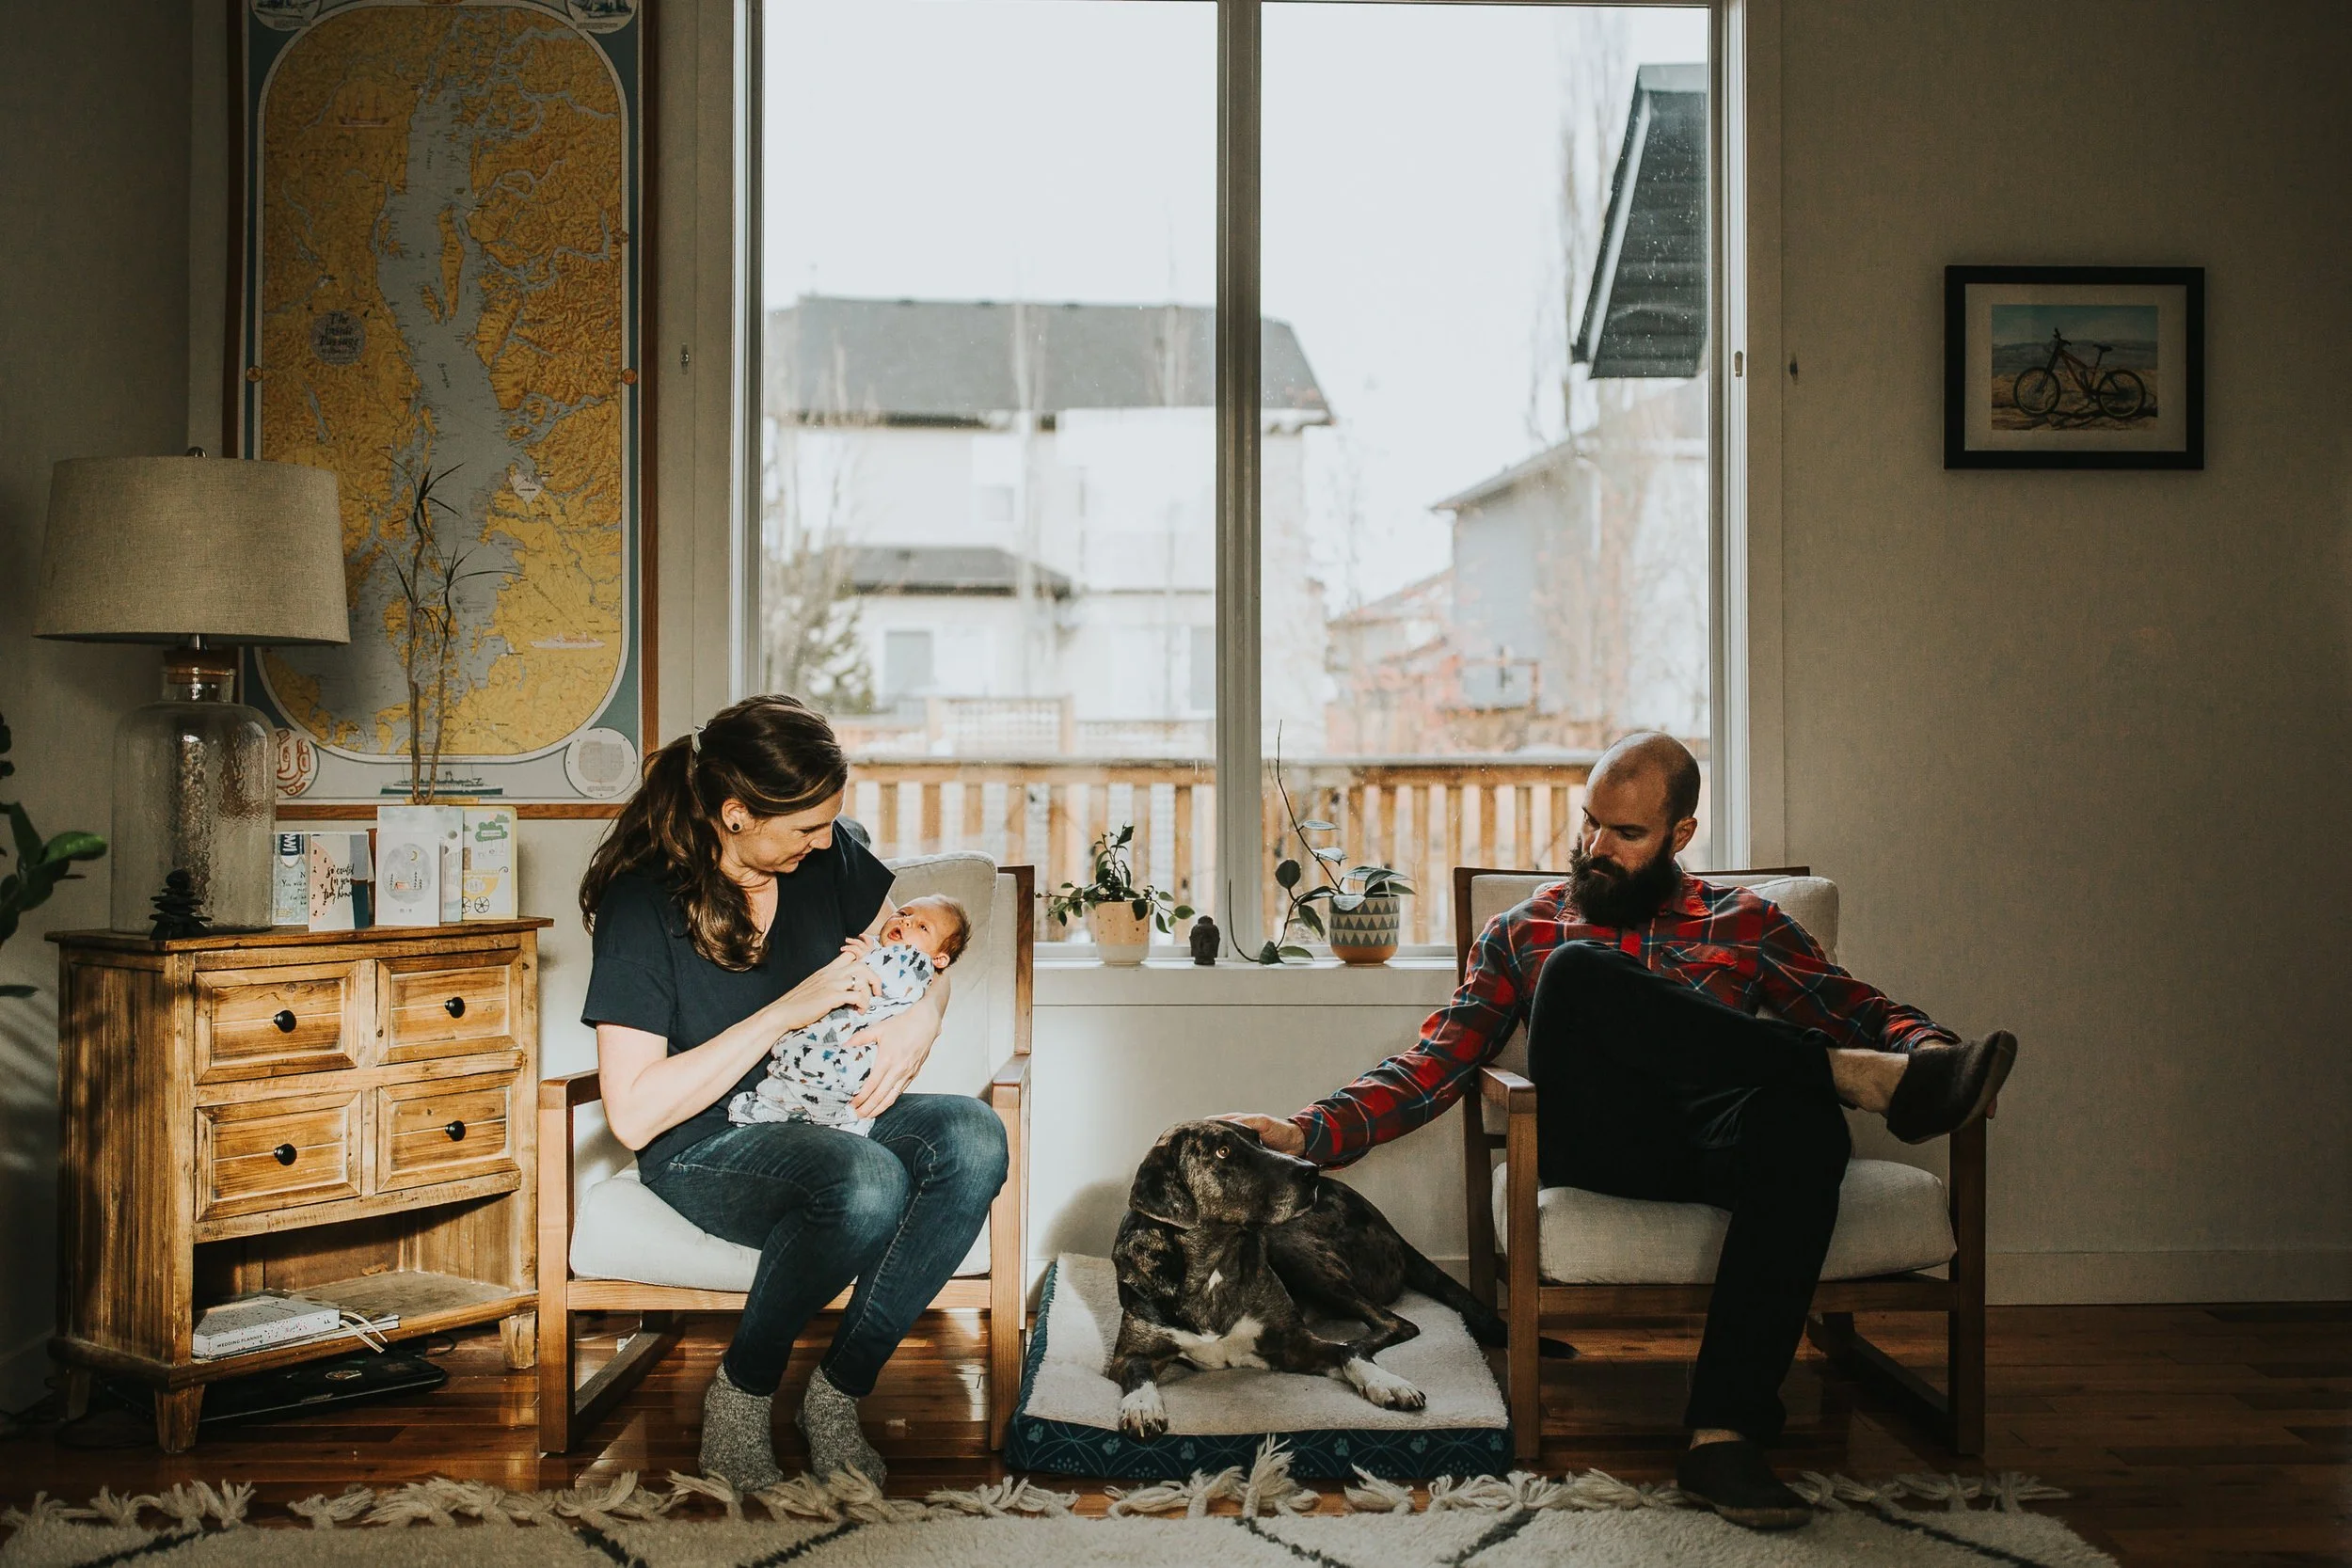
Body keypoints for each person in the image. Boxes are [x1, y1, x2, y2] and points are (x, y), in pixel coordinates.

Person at [1220, 731, 2014, 1530]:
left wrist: (1934, 1055)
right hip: (1600, 1139)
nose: (1595, 848)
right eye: (1590, 822)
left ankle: (1723, 1434)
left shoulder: (1746, 922)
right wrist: (1304, 1132)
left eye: (1626, 833)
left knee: (1802, 1121)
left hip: (1721, 1142)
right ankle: (1843, 1073)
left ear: (1680, 835)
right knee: (1579, 973)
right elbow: (1436, 1063)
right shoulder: (1528, 929)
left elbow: (1867, 1010)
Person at [578, 696, 1007, 1492]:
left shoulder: (827, 859)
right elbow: (634, 1109)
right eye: (806, 826)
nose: (825, 840)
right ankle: (743, 1389)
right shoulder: (645, 903)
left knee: (975, 1134)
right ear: (736, 814)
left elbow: (913, 971)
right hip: (708, 1140)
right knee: (865, 1176)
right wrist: (789, 1006)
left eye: (828, 823)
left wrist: (921, 1025)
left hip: (832, 1110)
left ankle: (837, 1393)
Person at [729, 895, 971, 1136]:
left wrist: (867, 958)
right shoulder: (878, 945)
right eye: (904, 914)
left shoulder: (916, 964)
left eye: (922, 927)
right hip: (831, 1040)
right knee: (801, 1071)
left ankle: (778, 1109)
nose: (906, 922)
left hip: (853, 1056)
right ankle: (778, 1108)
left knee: (826, 1076)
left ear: (938, 959)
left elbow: (893, 983)